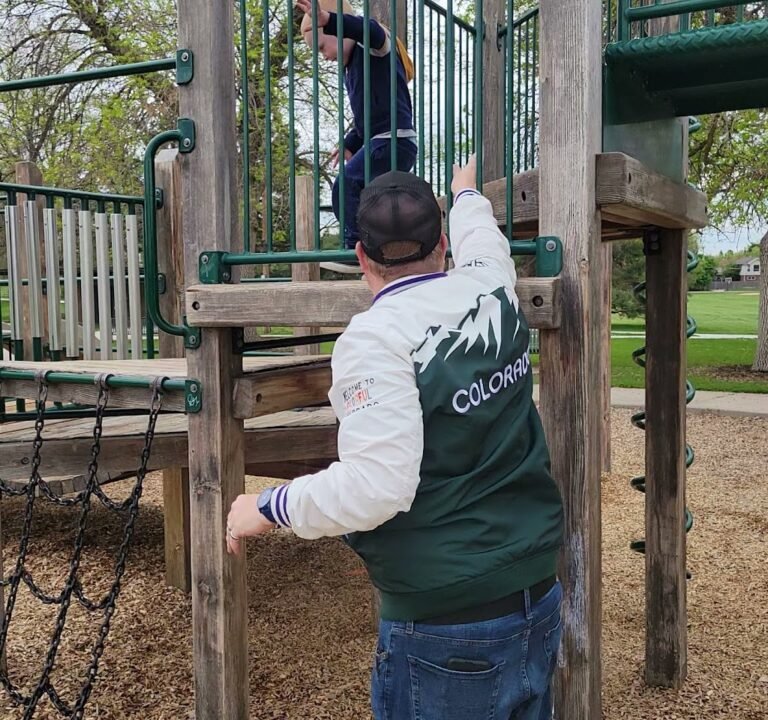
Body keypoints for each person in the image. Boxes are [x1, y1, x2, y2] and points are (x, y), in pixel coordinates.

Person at [227, 156, 564, 720]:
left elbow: (377, 486)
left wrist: (266, 505)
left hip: (448, 624)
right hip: (536, 595)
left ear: (360, 255)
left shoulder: (376, 339)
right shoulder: (490, 290)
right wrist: (465, 195)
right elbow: (486, 243)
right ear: (444, 245)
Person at [296, 0, 418, 274]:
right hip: (382, 140)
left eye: (322, 46)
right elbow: (365, 122)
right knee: (370, 199)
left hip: (393, 141)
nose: (323, 56)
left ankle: (356, 249)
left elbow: (368, 28)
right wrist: (350, 144)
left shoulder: (375, 45)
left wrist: (328, 18)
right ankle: (384, 251)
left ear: (340, 30)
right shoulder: (350, 71)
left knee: (346, 184)